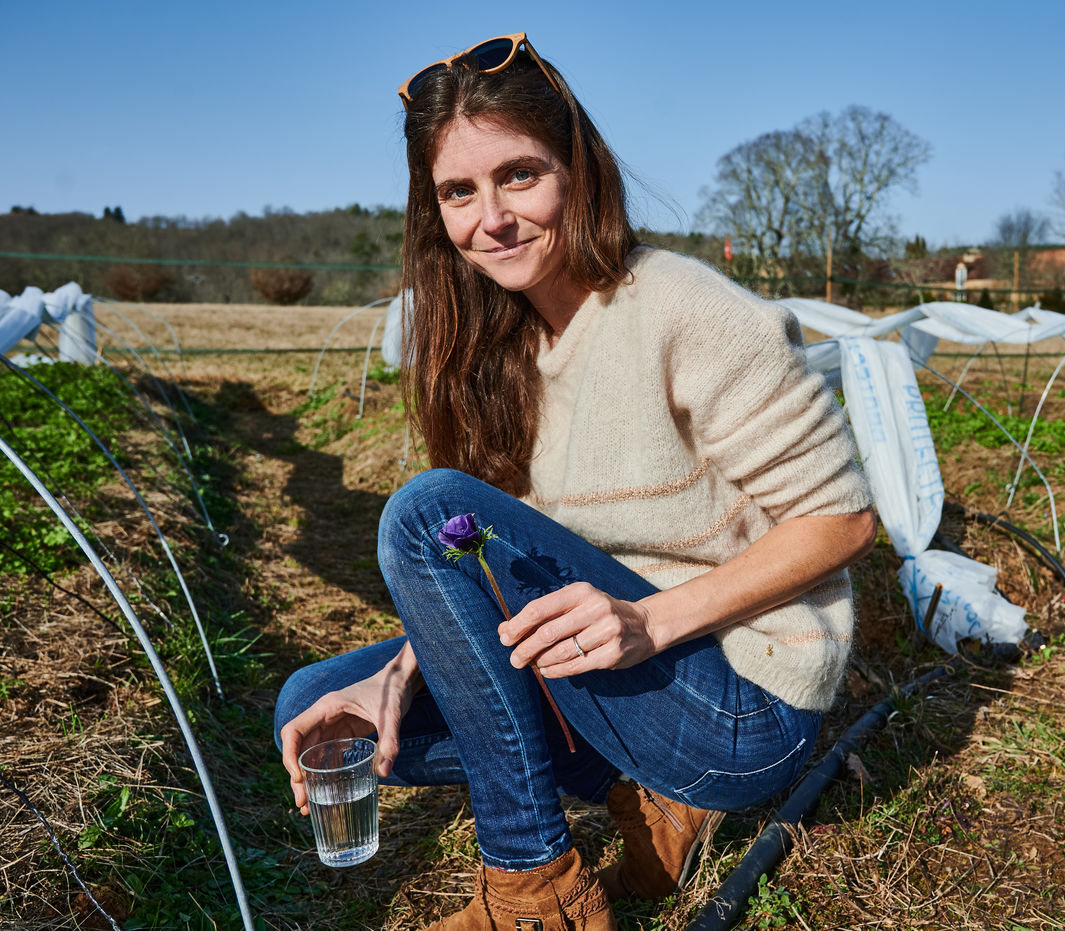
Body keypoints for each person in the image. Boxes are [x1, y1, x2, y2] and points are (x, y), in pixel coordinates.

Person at [274, 33, 876, 931]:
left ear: (577, 169)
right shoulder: (497, 351)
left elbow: (845, 520)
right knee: (317, 708)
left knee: (423, 512)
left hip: (743, 703)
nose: (492, 217)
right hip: (621, 675)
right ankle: (649, 800)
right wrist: (400, 672)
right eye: (458, 191)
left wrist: (651, 620)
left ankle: (535, 888)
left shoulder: (678, 307)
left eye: (519, 175)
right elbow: (493, 566)